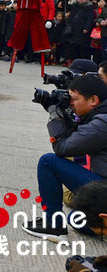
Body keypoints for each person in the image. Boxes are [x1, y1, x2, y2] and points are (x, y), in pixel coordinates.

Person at [22, 75, 107, 242]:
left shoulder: (102, 123)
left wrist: (55, 114)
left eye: (74, 99)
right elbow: (77, 135)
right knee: (76, 219)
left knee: (48, 161)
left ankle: (53, 224)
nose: (71, 104)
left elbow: (62, 148)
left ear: (93, 100)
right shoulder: (101, 115)